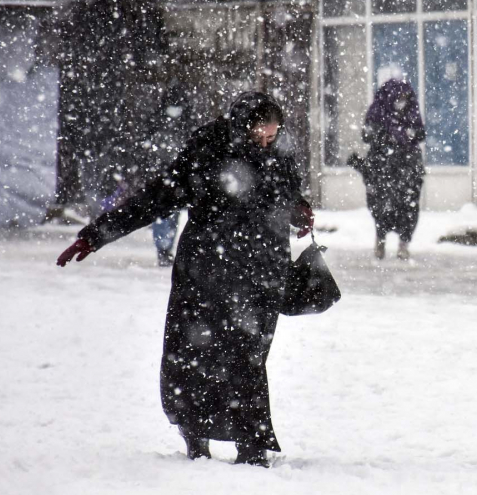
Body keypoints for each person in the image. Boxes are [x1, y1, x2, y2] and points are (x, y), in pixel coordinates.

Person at [56, 92, 314, 466]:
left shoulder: (280, 153)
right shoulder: (208, 149)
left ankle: (252, 446)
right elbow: (156, 197)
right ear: (241, 126)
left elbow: (283, 196)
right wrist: (97, 234)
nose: (265, 143)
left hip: (261, 272)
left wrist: (298, 208)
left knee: (248, 359)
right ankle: (196, 439)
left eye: (271, 137)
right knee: (192, 355)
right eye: (259, 135)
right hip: (207, 272)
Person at [361, 78, 425, 261]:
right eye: (398, 98)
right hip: (382, 166)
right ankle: (380, 238)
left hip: (407, 167)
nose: (401, 102)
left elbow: (420, 132)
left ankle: (404, 243)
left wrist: (408, 136)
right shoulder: (378, 111)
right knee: (380, 205)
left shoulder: (411, 111)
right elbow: (366, 135)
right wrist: (384, 137)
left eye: (404, 98)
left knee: (409, 206)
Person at [145, 83, 194, 267]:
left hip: (168, 174)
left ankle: (164, 249)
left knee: (167, 215)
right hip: (167, 174)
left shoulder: (158, 120)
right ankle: (164, 249)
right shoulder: (183, 121)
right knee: (167, 215)